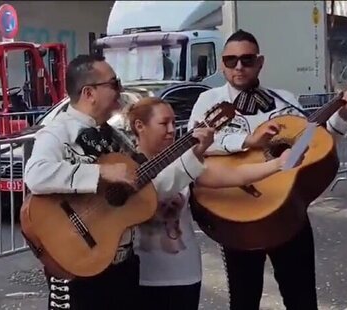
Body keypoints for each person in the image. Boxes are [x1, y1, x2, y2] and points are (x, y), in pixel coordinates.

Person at [23, 54, 215, 310]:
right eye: (113, 83)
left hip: (122, 266)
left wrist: (194, 155)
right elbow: (36, 174)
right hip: (78, 264)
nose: (120, 89)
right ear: (89, 93)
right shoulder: (58, 132)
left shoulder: (115, 137)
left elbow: (148, 189)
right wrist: (100, 174)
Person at [187, 30, 347, 310]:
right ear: (221, 64)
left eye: (246, 59)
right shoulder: (209, 102)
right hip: (239, 210)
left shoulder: (284, 100)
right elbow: (194, 147)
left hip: (287, 210)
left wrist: (341, 113)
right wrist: (247, 140)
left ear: (260, 62)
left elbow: (313, 145)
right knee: (244, 300)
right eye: (231, 61)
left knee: (302, 298)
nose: (239, 67)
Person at [123, 97, 304, 310]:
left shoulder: (185, 161)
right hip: (139, 273)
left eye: (174, 122)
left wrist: (277, 163)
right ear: (140, 126)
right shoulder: (122, 165)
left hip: (183, 272)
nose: (172, 129)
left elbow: (234, 174)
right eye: (164, 123)